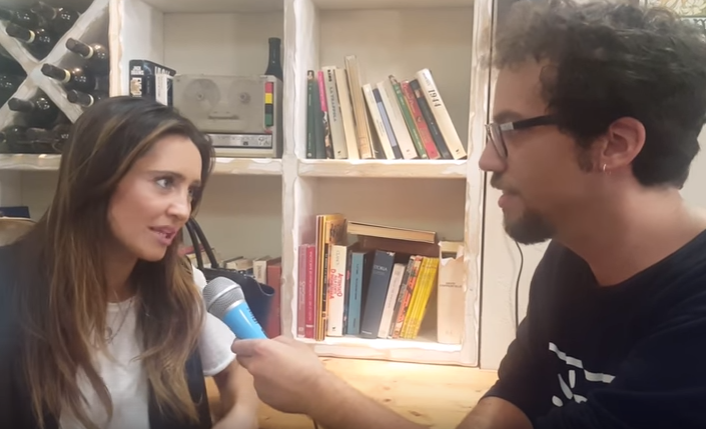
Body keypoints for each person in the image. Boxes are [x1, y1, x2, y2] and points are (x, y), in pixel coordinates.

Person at [230, 1, 706, 428]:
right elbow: (519, 392)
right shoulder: (574, 255)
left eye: (509, 130)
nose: (487, 160)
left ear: (616, 145)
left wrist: (321, 394)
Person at [0, 96, 259, 429]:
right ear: (97, 178)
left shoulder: (182, 287)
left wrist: (242, 415)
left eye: (191, 191)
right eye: (165, 182)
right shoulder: (10, 287)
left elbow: (236, 371)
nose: (183, 210)